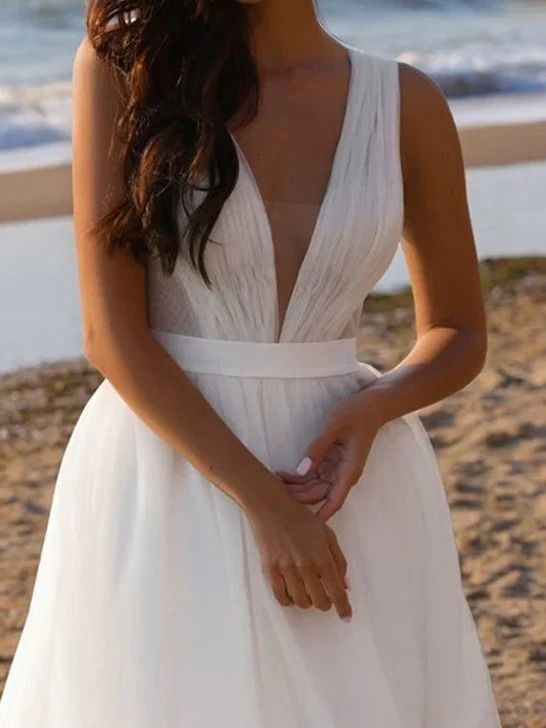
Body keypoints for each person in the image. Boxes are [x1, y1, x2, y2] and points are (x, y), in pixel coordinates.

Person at [0, 0, 503, 726]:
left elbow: (457, 330)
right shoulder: (127, 70)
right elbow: (112, 335)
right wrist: (267, 510)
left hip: (346, 485)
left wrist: (373, 407)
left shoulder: (405, 103)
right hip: (171, 473)